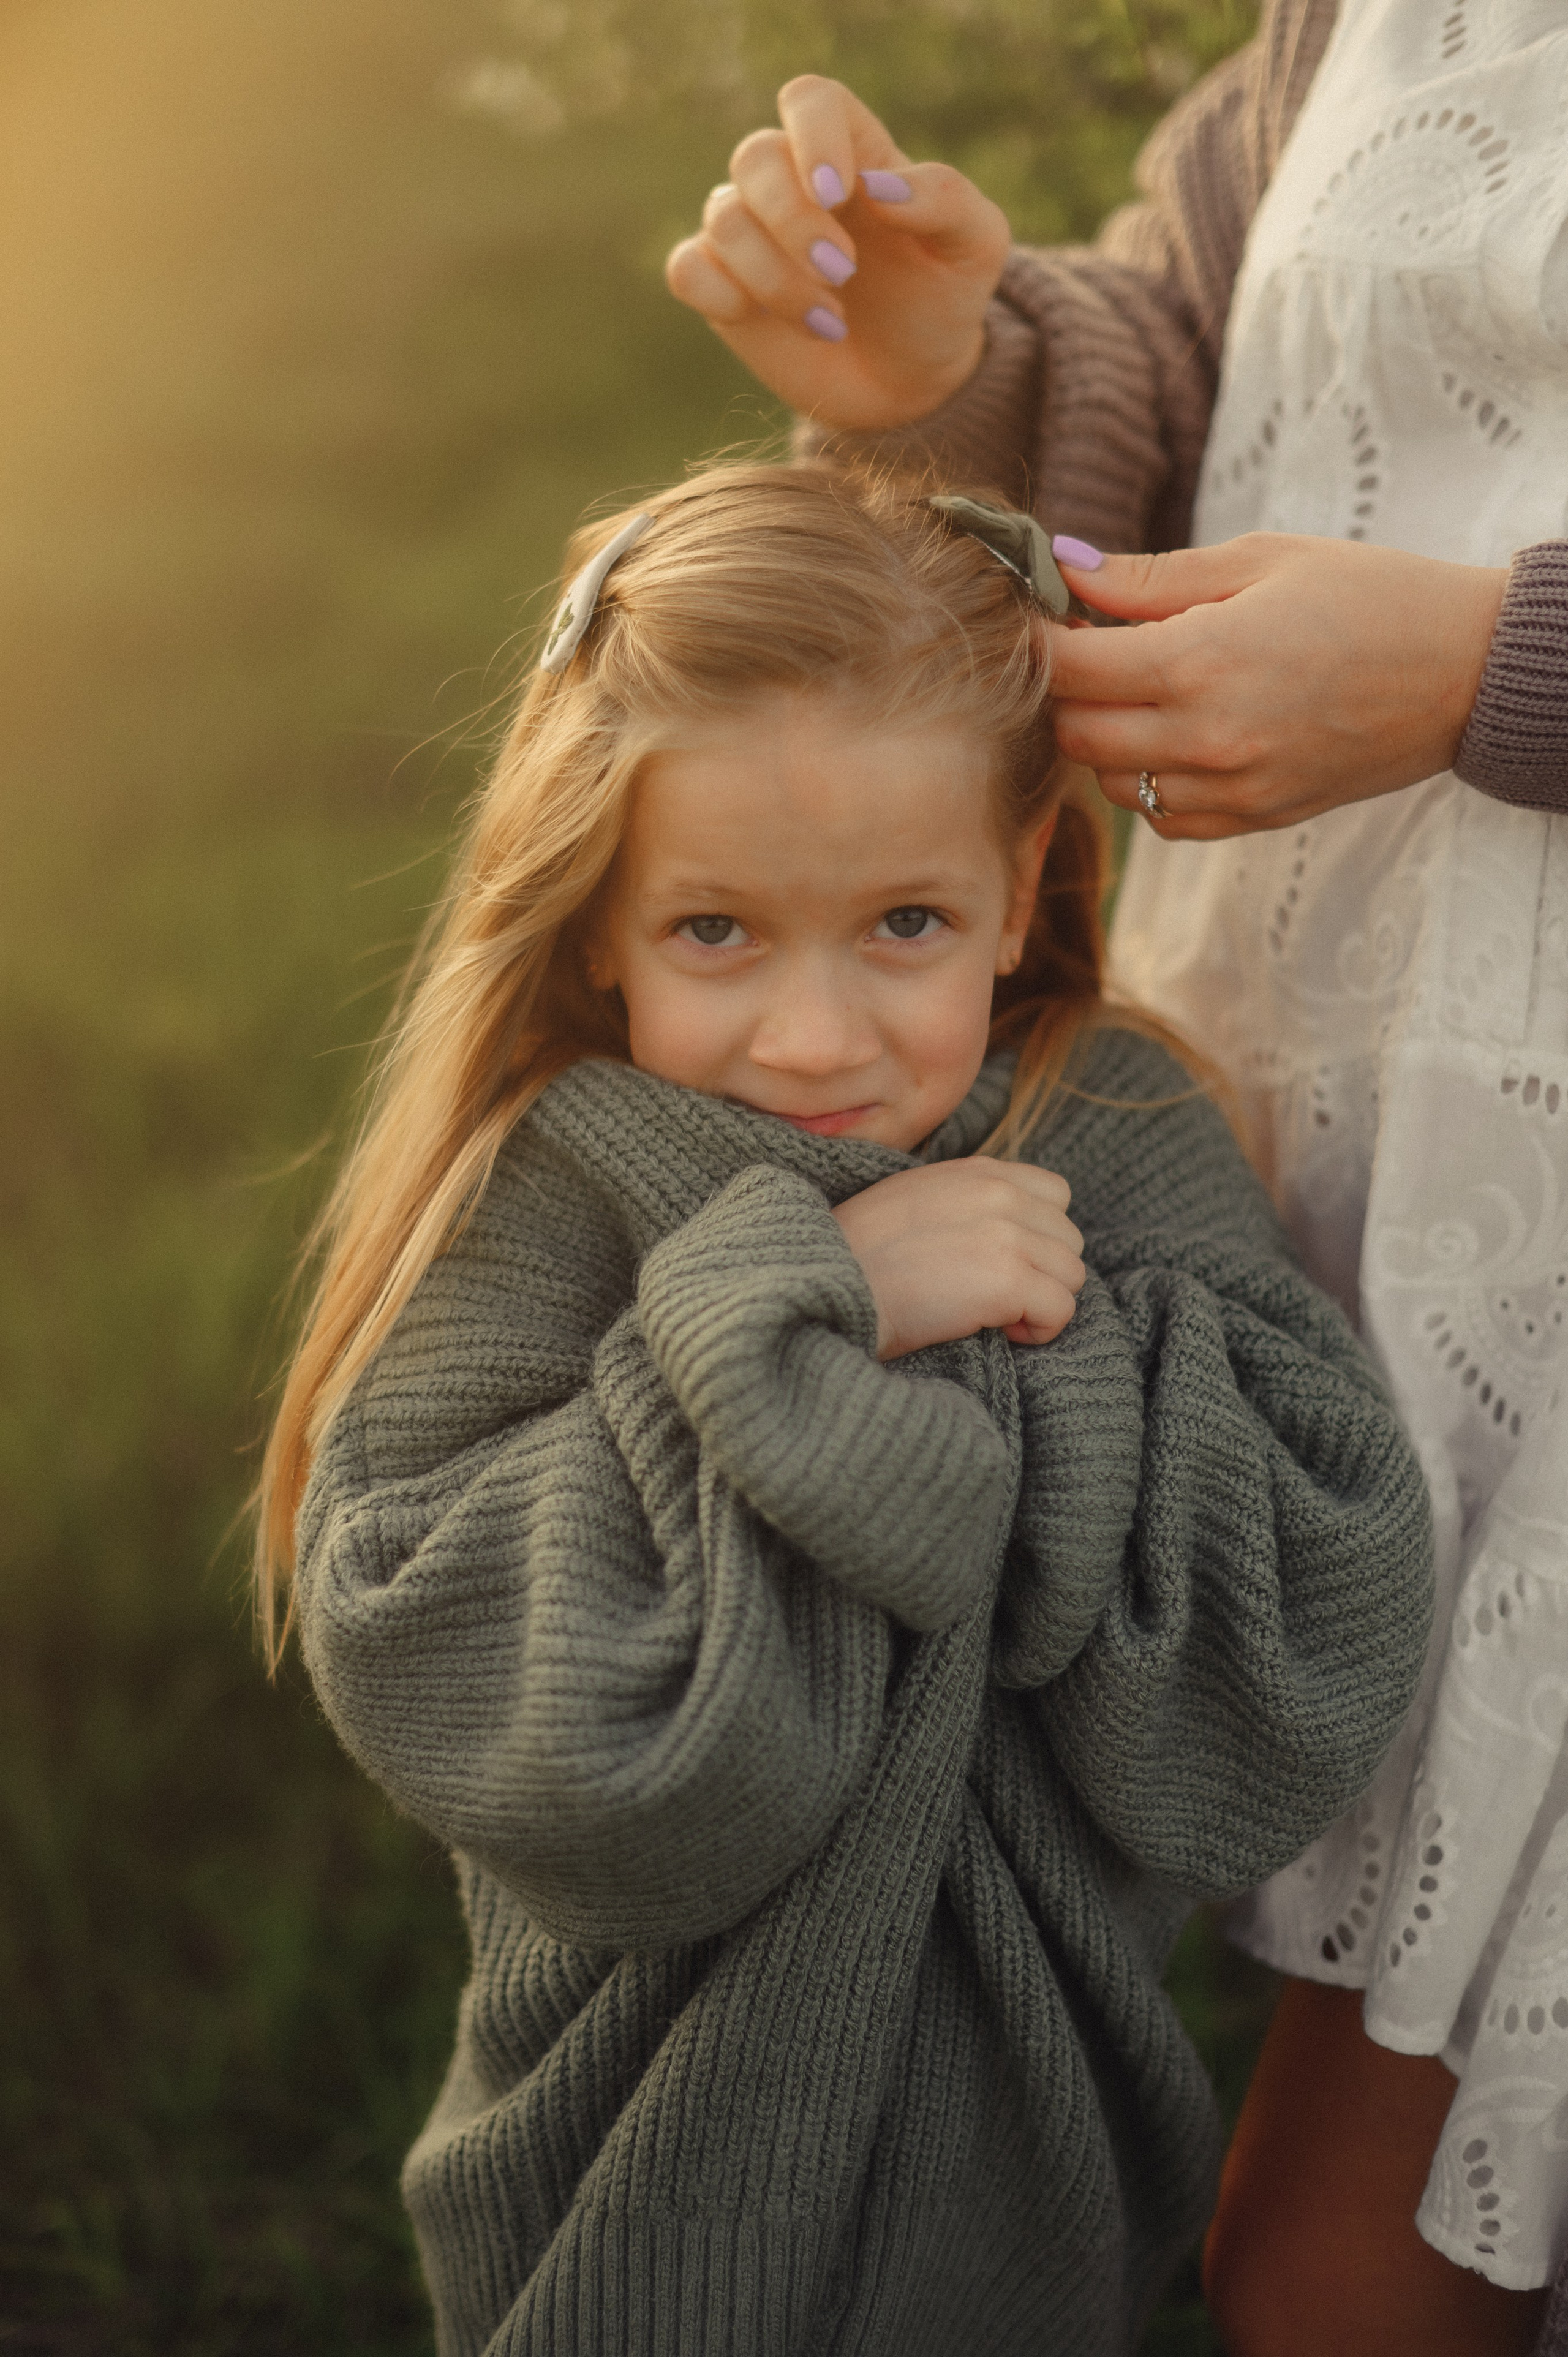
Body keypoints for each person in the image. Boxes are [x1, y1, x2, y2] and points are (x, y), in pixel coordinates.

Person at [257, 458, 1434, 2357]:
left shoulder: (1113, 1128)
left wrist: (958, 1381)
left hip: (1030, 2199)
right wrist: (795, 1310)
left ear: (1026, 881)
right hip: (619, 2182)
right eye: (717, 933)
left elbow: (1302, 1617)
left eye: (903, 924)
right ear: (595, 925)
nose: (815, 1038)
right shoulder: (556, 1185)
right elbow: (436, 1625)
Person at [663, 10, 1568, 2356]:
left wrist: (1499, 657)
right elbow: (1239, 339)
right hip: (1350, 1183)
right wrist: (966, 360)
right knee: (1331, 2223)